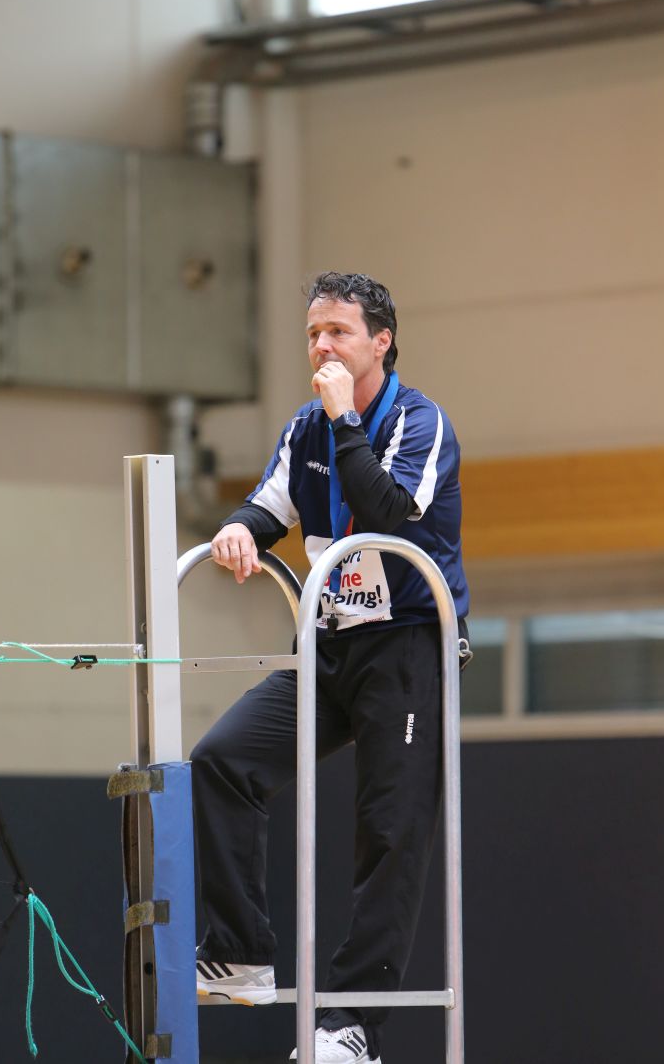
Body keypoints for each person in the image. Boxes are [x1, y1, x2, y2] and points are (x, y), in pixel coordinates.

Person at [191, 272, 469, 1064]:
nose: (321, 347)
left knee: (390, 830)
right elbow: (268, 505)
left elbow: (384, 514)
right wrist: (239, 531)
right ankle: (239, 953)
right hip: (330, 645)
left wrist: (347, 418)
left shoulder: (420, 423)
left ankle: (352, 1025)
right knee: (220, 761)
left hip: (407, 648)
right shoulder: (304, 428)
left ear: (381, 341)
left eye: (338, 332)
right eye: (313, 333)